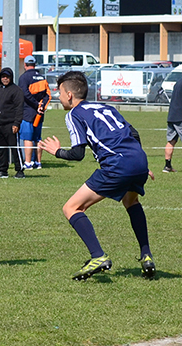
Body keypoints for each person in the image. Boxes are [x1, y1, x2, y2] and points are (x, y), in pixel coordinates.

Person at [38, 71, 155, 280]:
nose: (58, 96)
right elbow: (134, 133)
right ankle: (146, 255)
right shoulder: (106, 107)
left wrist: (56, 151)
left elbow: (77, 154)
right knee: (131, 201)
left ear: (70, 95)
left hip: (117, 164)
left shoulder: (74, 114)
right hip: (138, 159)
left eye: (60, 92)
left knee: (71, 208)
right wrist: (140, 164)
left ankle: (98, 256)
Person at [0, 67, 25, 179]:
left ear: (11, 78)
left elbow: (19, 108)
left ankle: (20, 170)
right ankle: (2, 170)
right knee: (0, 149)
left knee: (15, 148)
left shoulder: (16, 91)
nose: (5, 79)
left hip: (10, 124)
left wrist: (16, 123)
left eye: (7, 77)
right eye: (3, 77)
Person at [18, 55, 50, 170]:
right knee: (38, 138)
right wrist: (41, 106)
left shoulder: (23, 78)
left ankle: (28, 162)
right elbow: (48, 95)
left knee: (27, 138)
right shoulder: (42, 78)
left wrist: (36, 105)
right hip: (39, 113)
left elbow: (25, 94)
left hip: (28, 112)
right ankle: (38, 162)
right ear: (35, 64)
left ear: (25, 65)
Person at [163, 76, 182, 173]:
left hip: (172, 115)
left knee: (171, 141)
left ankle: (167, 166)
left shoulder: (178, 82)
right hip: (180, 116)